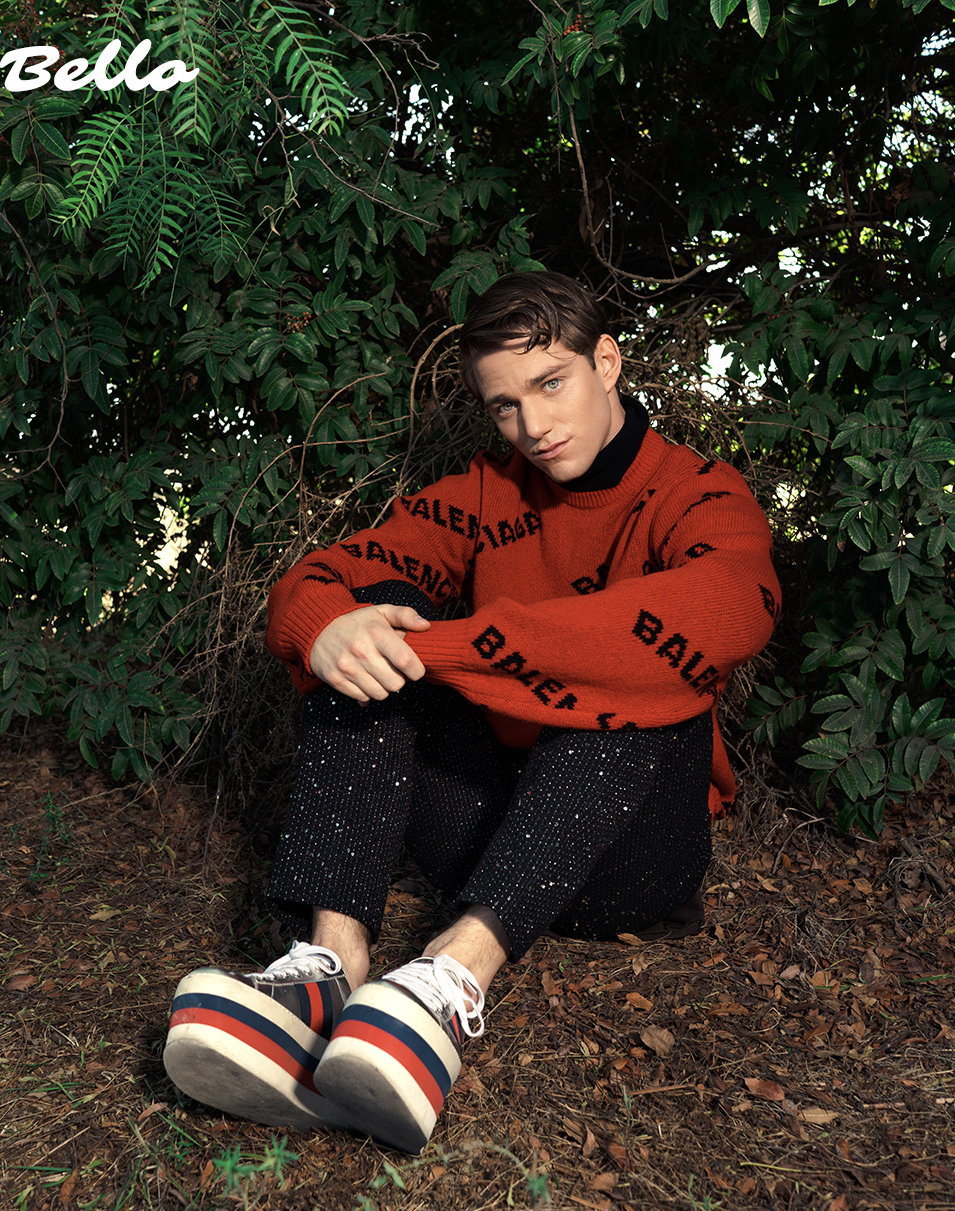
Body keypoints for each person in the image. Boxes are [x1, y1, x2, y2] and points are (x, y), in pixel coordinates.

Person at [164, 271, 780, 1154]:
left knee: (640, 682)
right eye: (504, 406)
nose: (534, 426)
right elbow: (328, 574)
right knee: (370, 628)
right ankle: (330, 972)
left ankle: (449, 985)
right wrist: (327, 627)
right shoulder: (489, 494)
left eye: (551, 384)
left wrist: (451, 649)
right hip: (492, 838)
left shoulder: (700, 494)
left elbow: (730, 610)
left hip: (633, 857)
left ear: (607, 363)